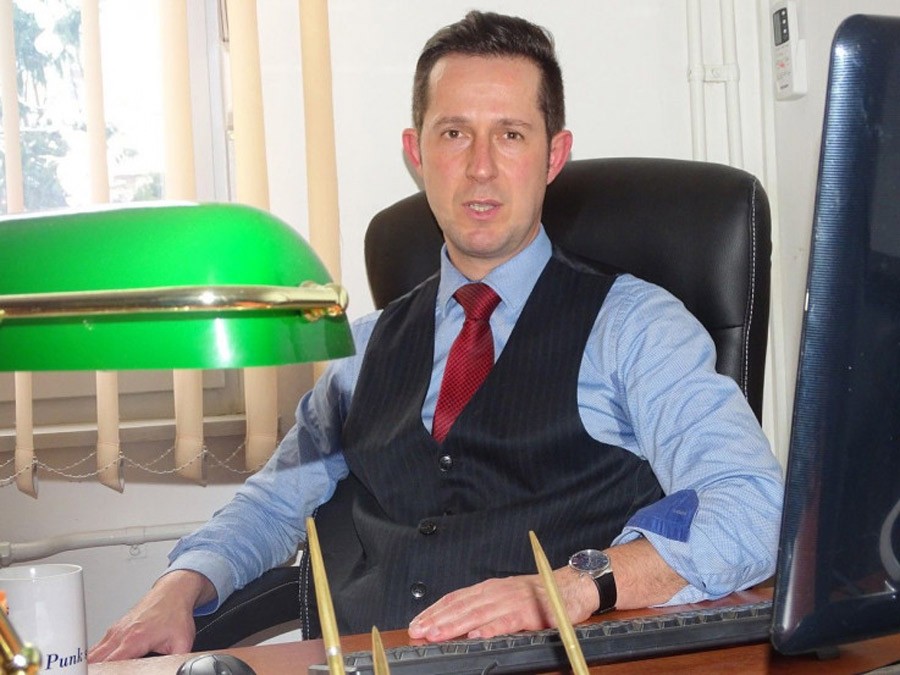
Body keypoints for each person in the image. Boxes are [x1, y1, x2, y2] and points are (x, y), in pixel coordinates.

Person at [89, 10, 783, 661]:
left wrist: (571, 587)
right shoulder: (361, 351)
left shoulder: (634, 327)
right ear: (416, 152)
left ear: (553, 155)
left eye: (510, 134)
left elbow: (753, 505)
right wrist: (177, 586)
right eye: (453, 134)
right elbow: (273, 502)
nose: (480, 166)